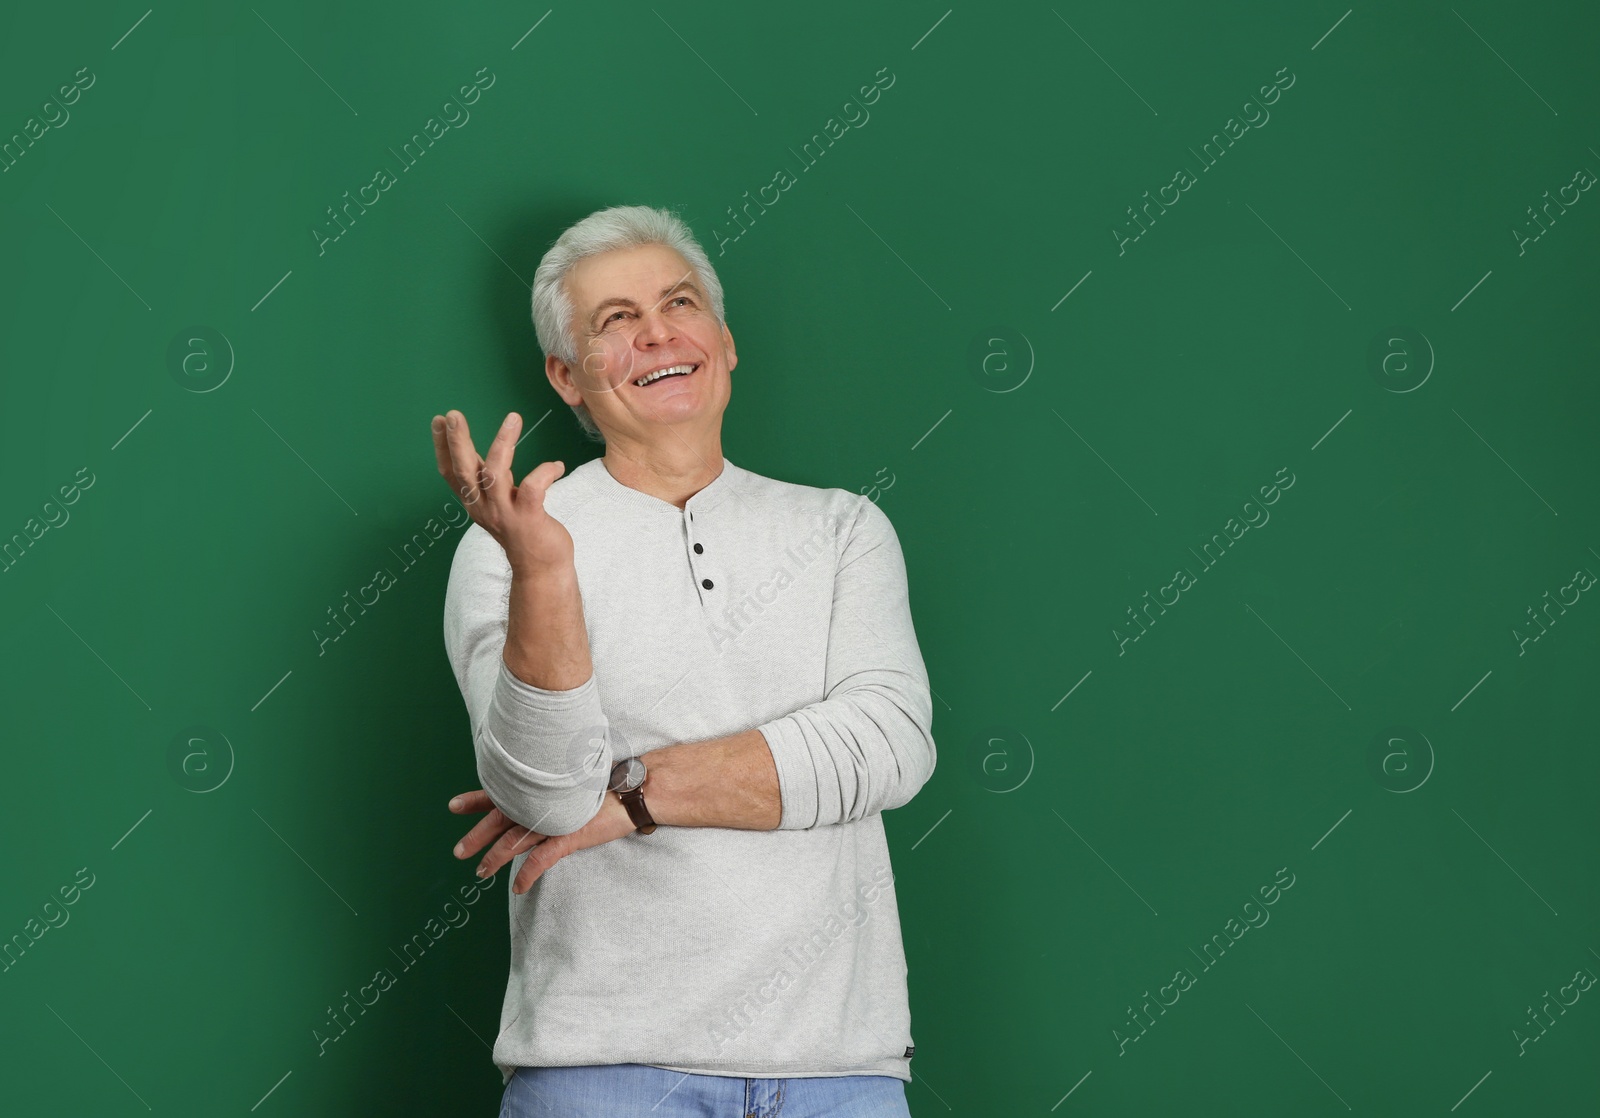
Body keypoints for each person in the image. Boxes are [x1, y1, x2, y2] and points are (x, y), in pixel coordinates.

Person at [431, 204, 935, 1117]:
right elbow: (546, 795)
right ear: (568, 375)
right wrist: (544, 569)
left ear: (726, 341)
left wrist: (626, 795)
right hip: (602, 1071)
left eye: (680, 303)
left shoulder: (842, 529)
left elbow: (889, 748)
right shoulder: (511, 544)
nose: (658, 333)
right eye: (615, 320)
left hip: (843, 1071)